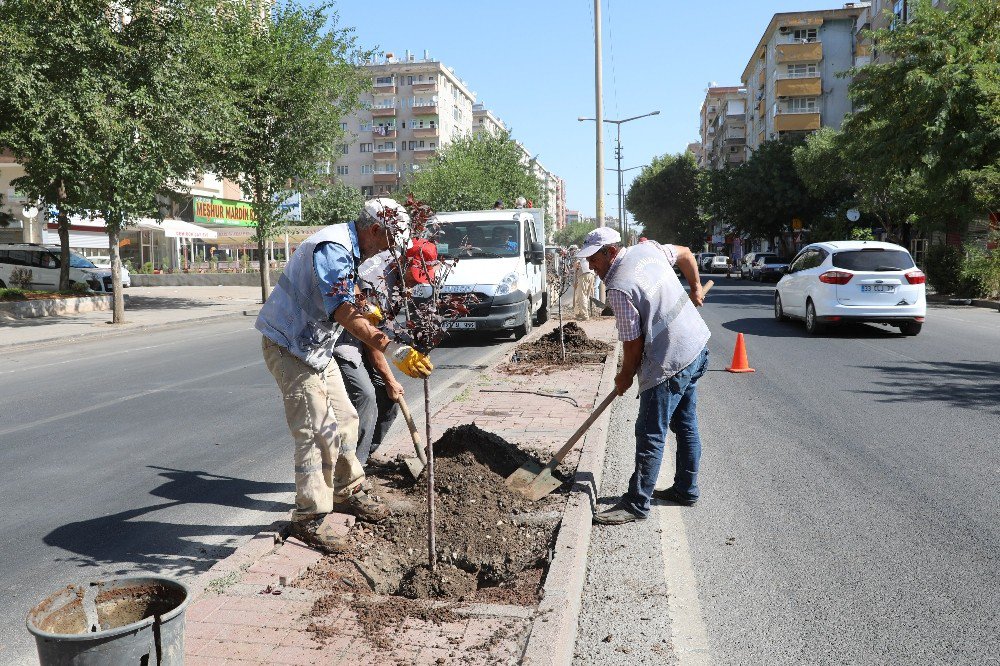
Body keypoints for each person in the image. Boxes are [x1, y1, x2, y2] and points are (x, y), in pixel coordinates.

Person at [256, 197, 434, 552]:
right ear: (374, 230)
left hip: (315, 348)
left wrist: (369, 308)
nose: (391, 250)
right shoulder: (333, 248)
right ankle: (309, 517)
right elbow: (340, 310)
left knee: (347, 418)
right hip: (289, 345)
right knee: (317, 430)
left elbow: (347, 295)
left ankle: (346, 489)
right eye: (390, 240)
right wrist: (393, 349)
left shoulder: (355, 251)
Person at [575, 227, 710, 525]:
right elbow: (686, 254)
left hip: (670, 360)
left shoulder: (619, 288)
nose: (591, 266)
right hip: (696, 347)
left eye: (594, 259)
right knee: (685, 423)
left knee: (650, 431)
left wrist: (624, 376)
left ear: (611, 252)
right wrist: (695, 287)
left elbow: (633, 345)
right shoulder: (648, 250)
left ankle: (636, 504)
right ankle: (687, 489)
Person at [333, 250, 403, 472]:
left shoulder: (399, 289)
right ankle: (355, 468)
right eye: (414, 277)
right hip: (344, 343)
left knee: (390, 400)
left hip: (364, 343)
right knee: (366, 396)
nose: (414, 284)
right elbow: (370, 341)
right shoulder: (377, 281)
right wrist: (390, 379)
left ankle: (367, 452)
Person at [572, 249, 595, 321]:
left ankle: (585, 315)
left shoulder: (578, 254)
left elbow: (576, 264)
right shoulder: (585, 253)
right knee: (585, 295)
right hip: (591, 273)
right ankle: (580, 313)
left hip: (584, 274)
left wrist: (574, 271)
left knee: (582, 295)